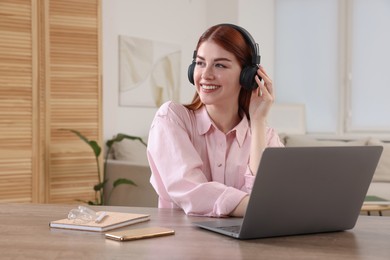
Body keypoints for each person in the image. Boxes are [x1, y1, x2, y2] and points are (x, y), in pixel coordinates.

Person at [146, 24, 284, 217]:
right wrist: (257, 207)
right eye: (200, 63)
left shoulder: (266, 137)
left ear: (248, 76)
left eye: (220, 65)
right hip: (182, 243)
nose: (206, 75)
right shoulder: (172, 118)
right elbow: (190, 190)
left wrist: (259, 121)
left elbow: (272, 197)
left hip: (248, 246)